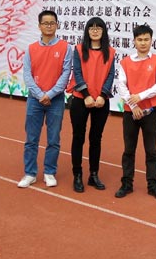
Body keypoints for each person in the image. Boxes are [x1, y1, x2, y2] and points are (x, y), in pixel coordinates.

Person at [18, 10, 72, 189]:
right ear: (39, 26)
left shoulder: (65, 47)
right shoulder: (31, 48)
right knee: (31, 139)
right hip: (35, 99)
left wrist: (50, 94)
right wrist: (40, 95)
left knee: (53, 139)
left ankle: (49, 172)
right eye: (45, 23)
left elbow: (66, 73)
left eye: (52, 23)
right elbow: (27, 74)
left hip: (56, 100)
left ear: (57, 25)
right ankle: (30, 173)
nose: (49, 26)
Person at [115, 24, 156, 201]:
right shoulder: (125, 62)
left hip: (150, 112)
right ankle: (126, 184)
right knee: (128, 150)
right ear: (134, 41)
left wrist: (141, 96)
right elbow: (121, 86)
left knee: (151, 151)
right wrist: (134, 105)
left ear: (151, 41)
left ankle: (153, 185)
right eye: (140, 39)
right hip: (131, 113)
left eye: (146, 39)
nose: (143, 43)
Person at [69, 17, 115, 193]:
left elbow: (110, 75)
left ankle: (93, 175)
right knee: (78, 137)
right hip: (81, 99)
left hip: (101, 101)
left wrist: (103, 95)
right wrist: (86, 95)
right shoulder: (79, 49)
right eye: (91, 28)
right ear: (87, 31)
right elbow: (77, 72)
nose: (95, 31)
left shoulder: (110, 52)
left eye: (98, 28)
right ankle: (77, 174)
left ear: (103, 31)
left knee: (96, 138)